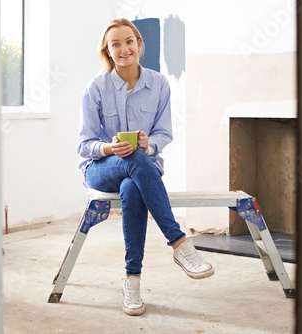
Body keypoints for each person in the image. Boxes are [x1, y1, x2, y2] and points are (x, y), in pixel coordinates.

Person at [77, 18, 214, 316]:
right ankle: (179, 244)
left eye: (129, 41)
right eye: (116, 44)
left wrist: (148, 144)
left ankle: (133, 283)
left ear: (139, 44)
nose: (124, 48)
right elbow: (85, 145)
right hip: (101, 169)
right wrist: (111, 148)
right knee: (132, 162)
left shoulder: (159, 83)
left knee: (133, 185)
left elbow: (164, 134)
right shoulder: (95, 88)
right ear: (108, 51)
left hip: (139, 171)